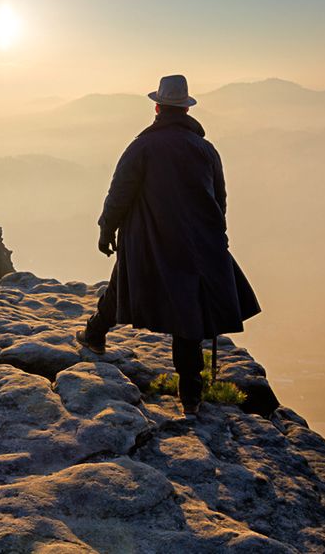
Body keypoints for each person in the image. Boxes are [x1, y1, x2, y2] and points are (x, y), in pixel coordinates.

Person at [76, 74, 261, 418]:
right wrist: (217, 238)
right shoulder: (206, 150)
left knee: (123, 283)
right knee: (188, 313)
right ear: (185, 109)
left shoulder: (143, 147)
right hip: (198, 244)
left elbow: (119, 195)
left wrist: (106, 230)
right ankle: (190, 393)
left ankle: (95, 334)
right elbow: (219, 199)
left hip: (149, 238)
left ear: (158, 108)